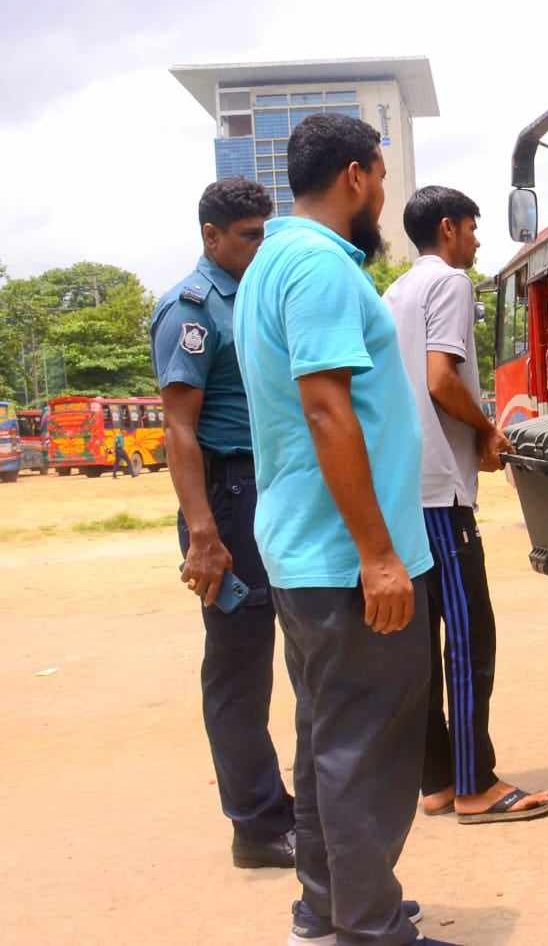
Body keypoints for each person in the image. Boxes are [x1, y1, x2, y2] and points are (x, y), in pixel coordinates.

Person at [234, 113, 450, 946]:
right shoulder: (320, 267)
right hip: (346, 558)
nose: (384, 194)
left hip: (305, 552)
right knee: (369, 749)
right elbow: (327, 409)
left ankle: (329, 907)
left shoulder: (269, 262)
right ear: (357, 174)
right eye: (382, 177)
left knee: (329, 736)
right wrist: (380, 556)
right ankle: (369, 928)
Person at [383, 187, 548, 826]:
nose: (479, 243)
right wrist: (487, 431)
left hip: (406, 486)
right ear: (448, 228)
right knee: (469, 637)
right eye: (474, 230)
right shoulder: (450, 285)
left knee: (425, 646)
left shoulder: (395, 292)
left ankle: (435, 778)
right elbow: (439, 380)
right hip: (440, 493)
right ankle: (473, 785)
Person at [150, 178, 295, 871]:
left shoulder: (248, 299)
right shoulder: (192, 311)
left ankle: (275, 808)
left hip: (261, 489)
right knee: (239, 668)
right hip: (226, 500)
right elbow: (179, 429)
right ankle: (258, 825)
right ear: (211, 236)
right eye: (248, 237)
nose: (259, 247)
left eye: (265, 233)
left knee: (278, 657)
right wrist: (203, 534)